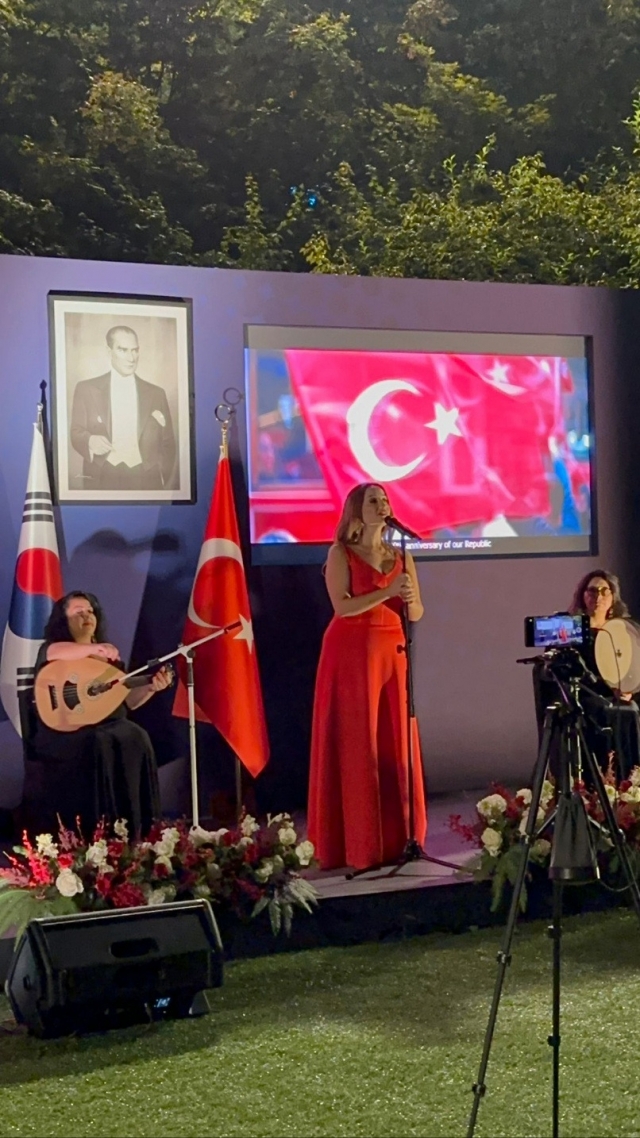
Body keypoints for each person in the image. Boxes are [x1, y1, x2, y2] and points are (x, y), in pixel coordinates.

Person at [307, 483, 427, 871]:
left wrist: (408, 598)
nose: (382, 505)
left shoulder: (400, 555)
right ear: (356, 510)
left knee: (394, 740)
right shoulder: (340, 553)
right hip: (350, 653)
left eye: (385, 499)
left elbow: (418, 613)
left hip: (392, 652)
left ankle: (400, 838)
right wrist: (387, 590)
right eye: (373, 500)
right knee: (359, 742)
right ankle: (359, 844)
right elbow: (342, 607)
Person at [24, 591, 170, 837]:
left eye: (90, 611)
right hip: (65, 731)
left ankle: (136, 830)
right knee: (98, 742)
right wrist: (94, 648)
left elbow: (129, 701)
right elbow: (52, 652)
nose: (86, 615)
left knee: (137, 735)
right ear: (63, 620)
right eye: (78, 612)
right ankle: (97, 834)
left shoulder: (108, 660)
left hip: (109, 724)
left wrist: (151, 687)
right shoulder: (54, 650)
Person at [534, 569, 640, 782]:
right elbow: (553, 665)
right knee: (599, 708)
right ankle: (593, 783)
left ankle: (628, 781)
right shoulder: (569, 628)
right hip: (582, 694)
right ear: (583, 595)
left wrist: (629, 689)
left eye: (604, 591)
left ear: (612, 597)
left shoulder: (622, 630)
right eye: (592, 591)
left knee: (631, 709)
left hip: (616, 692)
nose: (598, 597)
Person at [70, 325, 177, 492]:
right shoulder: (86, 389)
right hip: (101, 475)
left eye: (135, 350)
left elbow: (168, 442)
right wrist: (89, 440)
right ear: (108, 351)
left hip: (147, 478)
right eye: (123, 350)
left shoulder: (157, 394)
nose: (131, 358)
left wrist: (161, 477)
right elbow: (76, 431)